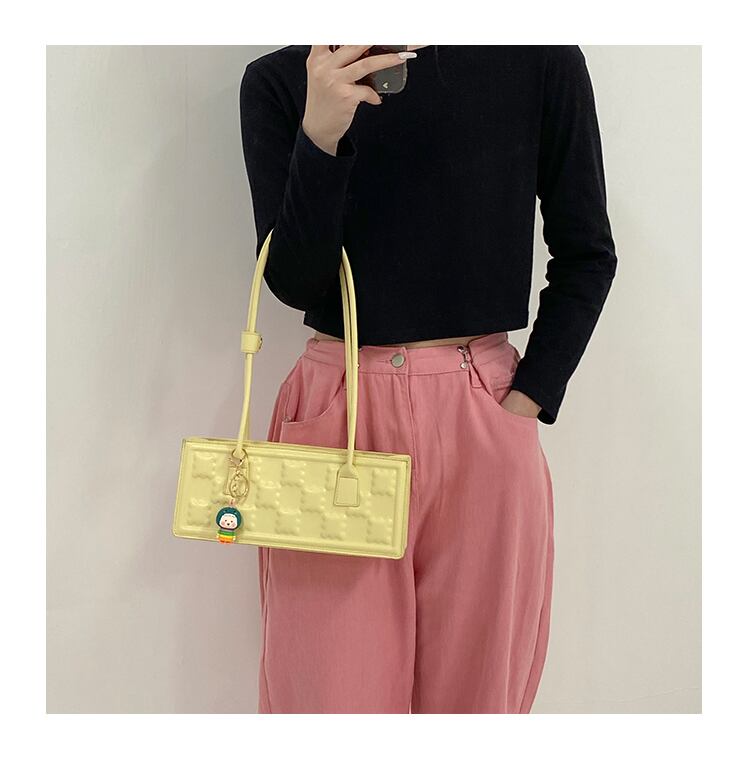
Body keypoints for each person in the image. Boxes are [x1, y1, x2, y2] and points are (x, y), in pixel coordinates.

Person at [239, 44, 617, 713]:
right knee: (326, 704)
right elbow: (296, 283)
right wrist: (320, 133)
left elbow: (587, 251)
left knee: (478, 703)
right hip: (337, 413)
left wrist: (525, 401)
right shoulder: (281, 81)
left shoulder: (537, 57)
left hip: (484, 414)